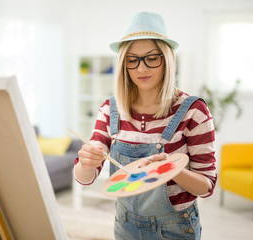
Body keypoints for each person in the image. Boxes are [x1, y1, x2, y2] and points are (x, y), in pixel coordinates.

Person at [73, 12, 216, 240]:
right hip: (124, 224)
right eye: (132, 59)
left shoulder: (193, 111)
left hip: (175, 228)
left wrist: (172, 170)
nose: (141, 69)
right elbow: (85, 177)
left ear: (167, 58)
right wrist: (86, 162)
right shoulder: (110, 110)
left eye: (151, 58)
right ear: (123, 64)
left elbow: (207, 186)